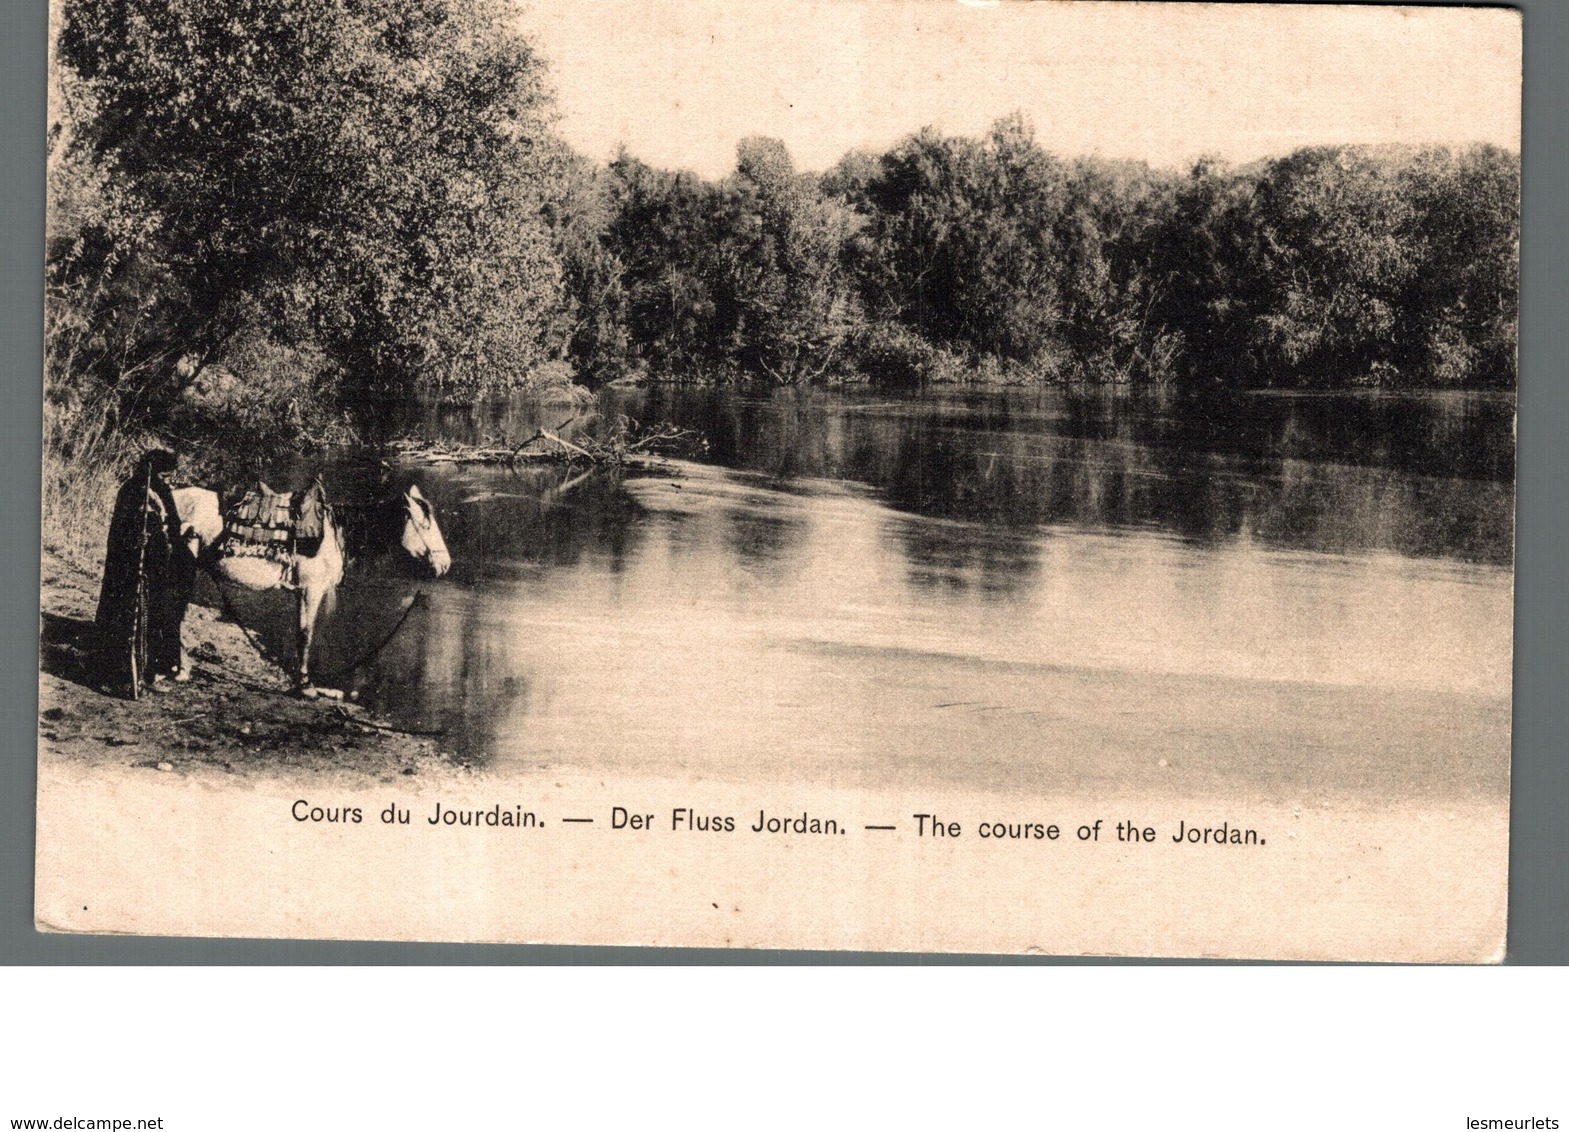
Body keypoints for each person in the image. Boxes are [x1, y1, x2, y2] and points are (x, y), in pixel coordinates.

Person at [94, 449, 193, 695]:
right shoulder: (132, 490)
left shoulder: (162, 491)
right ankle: (121, 676)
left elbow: (173, 524)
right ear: (151, 471)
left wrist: (176, 534)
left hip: (158, 569)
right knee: (127, 621)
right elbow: (123, 532)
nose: (169, 481)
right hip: (130, 571)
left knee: (157, 618)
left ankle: (150, 672)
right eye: (164, 475)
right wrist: (143, 535)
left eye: (171, 477)